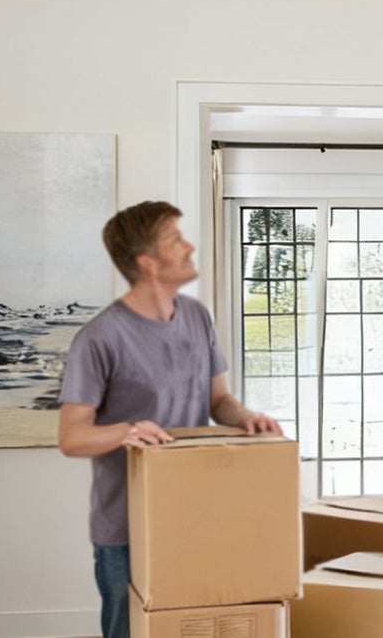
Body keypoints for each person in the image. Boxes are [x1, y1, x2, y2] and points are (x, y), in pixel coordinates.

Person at [57, 201, 281, 638]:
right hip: (125, 528)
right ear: (148, 262)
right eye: (176, 240)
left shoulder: (197, 318)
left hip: (195, 513)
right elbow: (72, 438)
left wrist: (246, 418)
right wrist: (127, 430)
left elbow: (219, 401)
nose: (189, 246)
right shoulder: (99, 338)